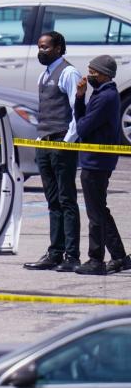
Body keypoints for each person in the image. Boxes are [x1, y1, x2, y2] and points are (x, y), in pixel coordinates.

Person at [24, 31, 82, 272]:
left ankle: (72, 255)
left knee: (67, 199)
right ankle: (55, 252)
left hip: (61, 142)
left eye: (46, 47)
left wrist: (67, 141)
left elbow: (77, 112)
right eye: (39, 47)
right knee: (52, 200)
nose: (41, 51)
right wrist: (39, 140)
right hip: (44, 142)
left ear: (58, 48)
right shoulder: (43, 75)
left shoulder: (68, 73)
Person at [73, 56, 131, 275]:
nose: (89, 76)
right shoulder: (101, 94)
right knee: (100, 210)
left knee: (95, 214)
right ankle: (119, 256)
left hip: (97, 162)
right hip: (93, 160)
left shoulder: (106, 97)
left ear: (105, 74)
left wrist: (81, 110)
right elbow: (82, 121)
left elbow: (83, 127)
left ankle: (96, 260)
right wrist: (80, 97)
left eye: (93, 72)